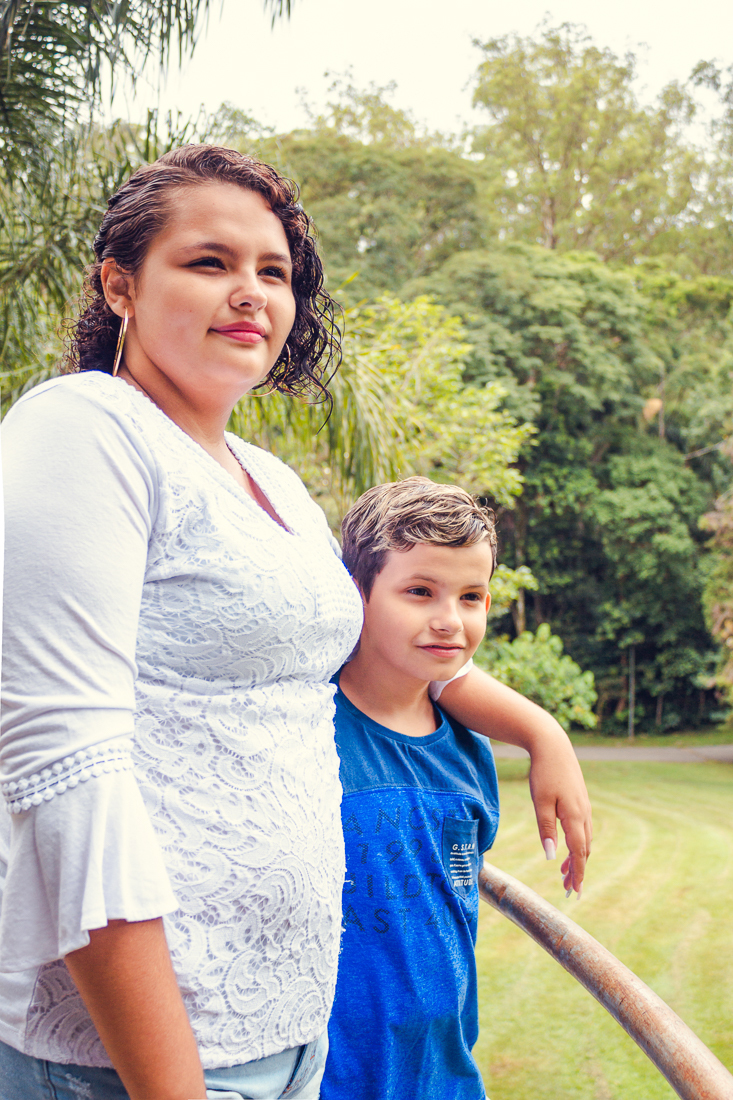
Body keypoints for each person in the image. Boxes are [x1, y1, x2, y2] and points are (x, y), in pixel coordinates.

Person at [0, 145, 591, 1100]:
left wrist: (538, 729)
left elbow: (393, 657)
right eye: (209, 263)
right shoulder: (85, 428)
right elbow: (67, 774)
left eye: (272, 272)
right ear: (120, 284)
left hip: (290, 1038)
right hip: (136, 1061)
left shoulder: (269, 482)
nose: (250, 293)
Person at [321, 478, 502, 1100]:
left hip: (442, 1074)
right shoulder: (307, 724)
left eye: (472, 596)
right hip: (323, 1074)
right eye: (419, 591)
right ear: (358, 593)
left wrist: (545, 736)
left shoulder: (470, 755)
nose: (449, 621)